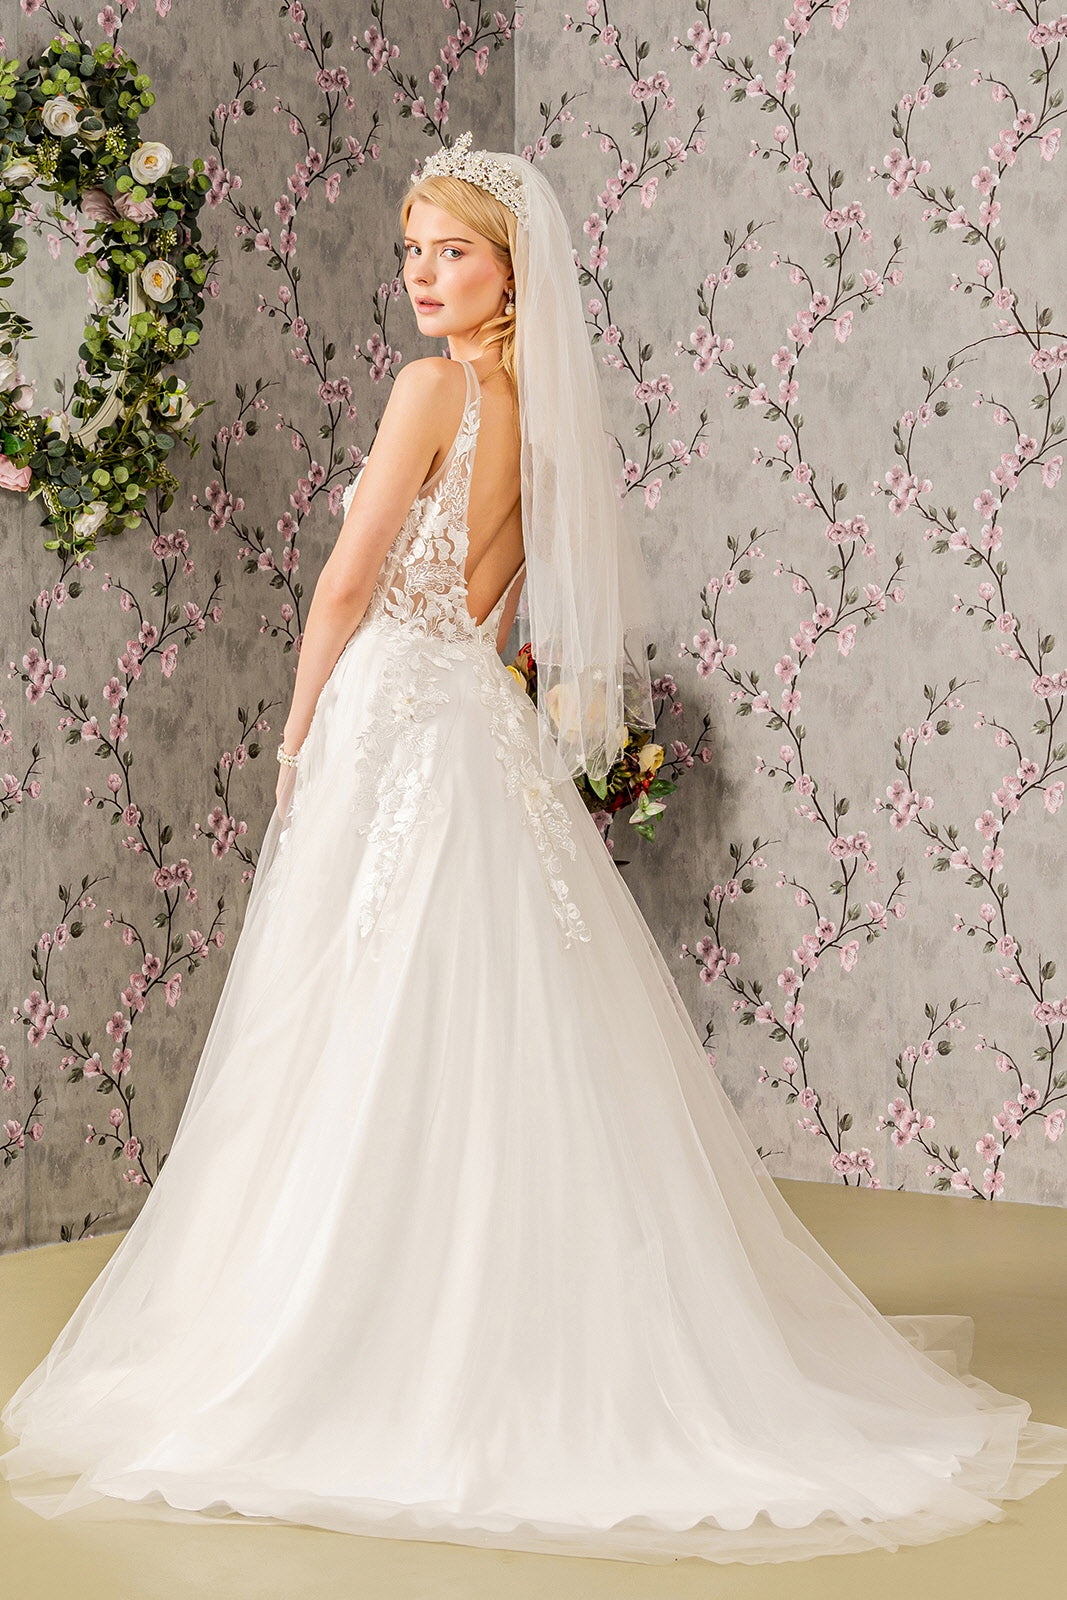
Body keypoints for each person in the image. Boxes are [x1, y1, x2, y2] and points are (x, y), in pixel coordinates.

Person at [1, 135, 1065, 1568]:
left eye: (451, 252)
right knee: (484, 1007)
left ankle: (359, 1324)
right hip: (474, 722)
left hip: (394, 707)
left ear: (510, 269)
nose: (421, 276)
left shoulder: (429, 391)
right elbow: (507, 612)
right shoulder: (545, 413)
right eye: (411, 252)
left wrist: (301, 729)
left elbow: (347, 582)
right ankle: (487, 1315)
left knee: (360, 1005)